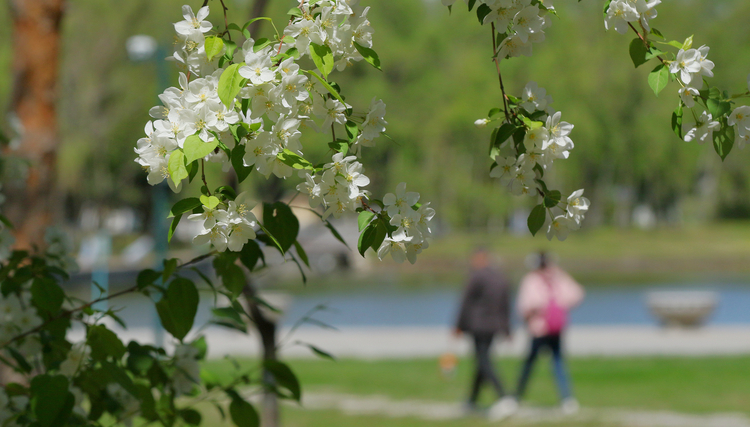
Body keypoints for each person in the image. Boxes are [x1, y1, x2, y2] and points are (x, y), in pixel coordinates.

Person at [507, 251, 585, 416]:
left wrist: (531, 315)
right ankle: (567, 399)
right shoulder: (558, 277)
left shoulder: (532, 279)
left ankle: (516, 397)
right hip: (556, 328)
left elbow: (525, 305)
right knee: (557, 363)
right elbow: (576, 294)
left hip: (539, 329)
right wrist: (560, 307)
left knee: (529, 364)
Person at [454, 247, 512, 412]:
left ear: (481, 258)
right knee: (481, 360)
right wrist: (507, 328)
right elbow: (506, 305)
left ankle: (503, 395)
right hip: (494, 325)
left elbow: (465, 302)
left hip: (478, 325)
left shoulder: (477, 276)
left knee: (483, 361)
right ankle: (471, 401)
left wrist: (458, 326)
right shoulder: (501, 277)